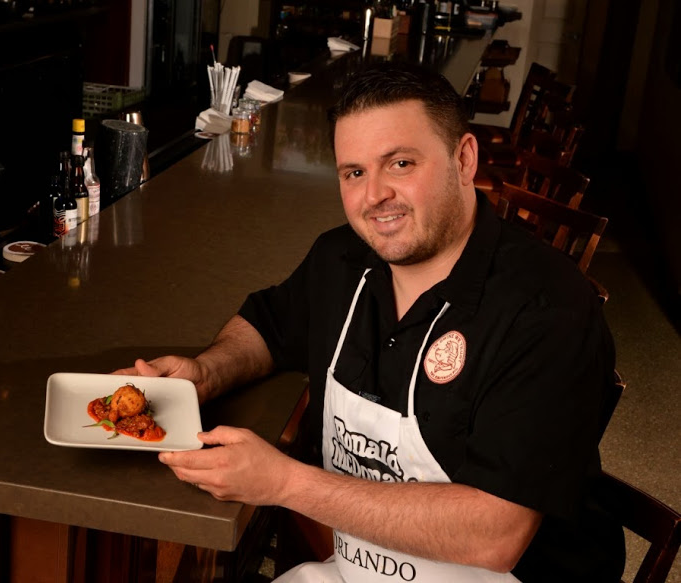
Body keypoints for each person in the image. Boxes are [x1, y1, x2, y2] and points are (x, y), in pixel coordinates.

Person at [114, 63, 625, 582]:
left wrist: (284, 483)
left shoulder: (547, 308)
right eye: (354, 173)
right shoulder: (342, 259)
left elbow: (496, 535)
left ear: (464, 159)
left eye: (400, 164)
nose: (375, 195)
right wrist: (206, 373)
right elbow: (269, 325)